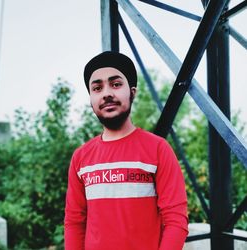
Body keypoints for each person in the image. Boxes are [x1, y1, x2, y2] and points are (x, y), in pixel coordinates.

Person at [64, 51, 188, 250]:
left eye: (115, 84)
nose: (106, 93)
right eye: (97, 88)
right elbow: (74, 222)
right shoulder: (81, 157)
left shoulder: (157, 149)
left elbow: (176, 220)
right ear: (91, 99)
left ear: (132, 92)